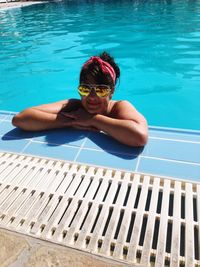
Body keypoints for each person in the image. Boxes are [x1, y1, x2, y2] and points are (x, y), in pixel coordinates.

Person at [12, 52, 148, 147]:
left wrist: (93, 119)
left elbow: (139, 137)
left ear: (111, 92)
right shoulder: (74, 106)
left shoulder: (119, 107)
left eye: (101, 90)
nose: (92, 97)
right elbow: (20, 119)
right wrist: (69, 121)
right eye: (85, 89)